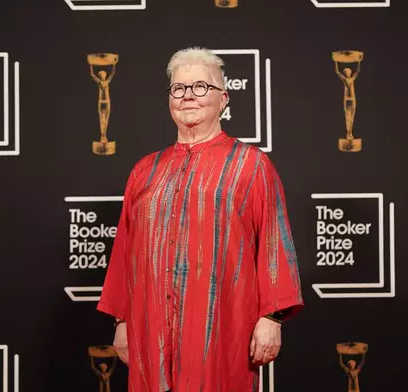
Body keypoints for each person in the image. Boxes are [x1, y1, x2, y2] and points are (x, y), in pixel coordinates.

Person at [97, 47, 304, 392]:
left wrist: (271, 317)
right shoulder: (145, 171)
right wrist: (121, 320)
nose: (188, 96)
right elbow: (125, 252)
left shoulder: (250, 165)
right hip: (151, 332)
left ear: (223, 99)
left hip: (223, 328)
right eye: (178, 88)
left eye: (200, 87)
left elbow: (272, 240)